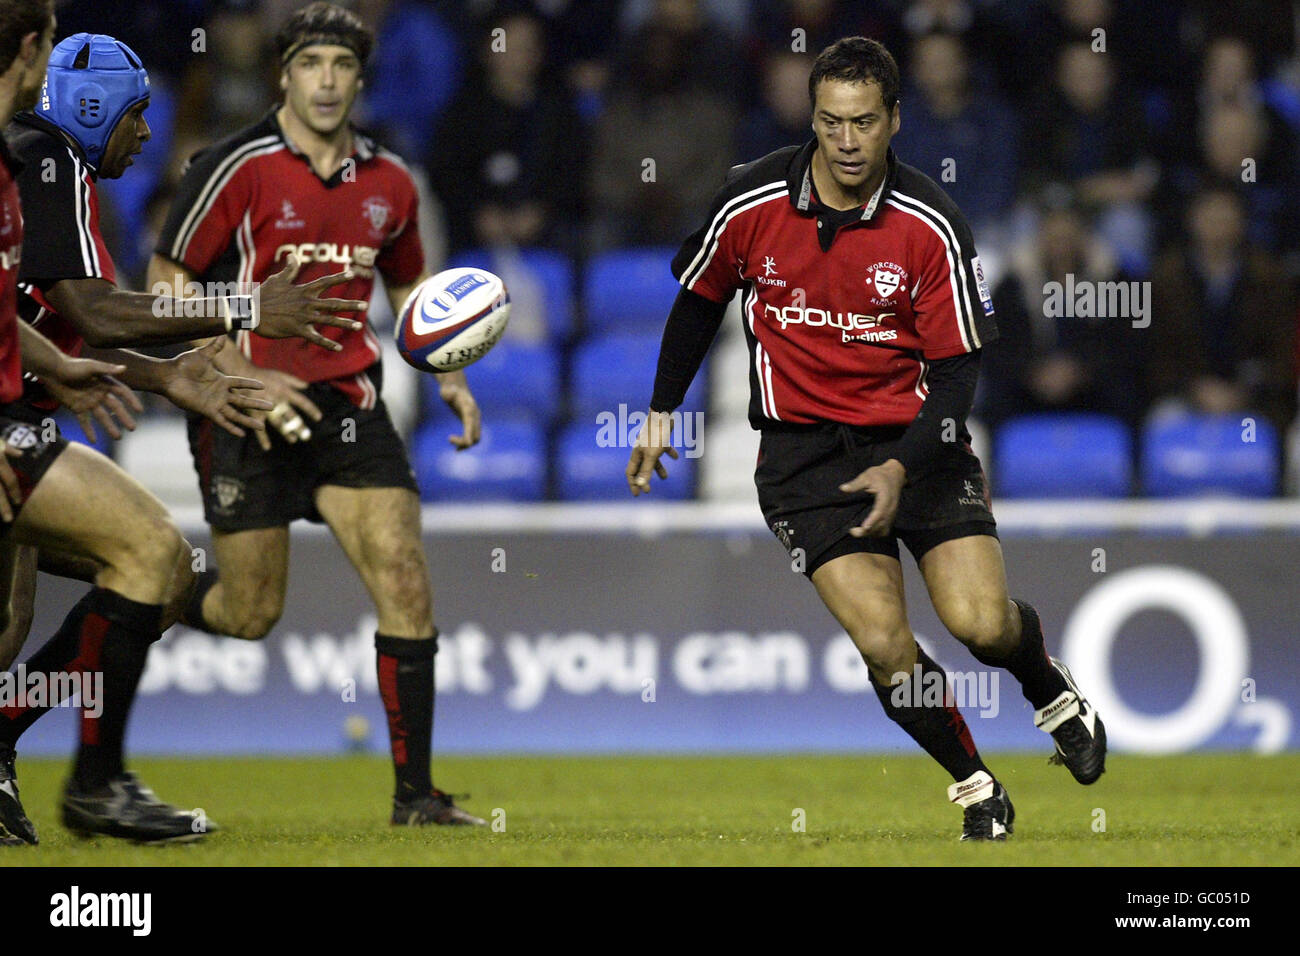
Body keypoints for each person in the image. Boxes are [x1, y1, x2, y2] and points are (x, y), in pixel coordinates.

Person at [625, 37, 1107, 841]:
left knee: (980, 624)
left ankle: (1047, 686)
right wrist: (661, 408)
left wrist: (900, 463)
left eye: (863, 123)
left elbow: (957, 379)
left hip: (919, 443)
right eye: (830, 122)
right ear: (811, 118)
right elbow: (699, 302)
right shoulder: (748, 202)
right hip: (802, 459)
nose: (846, 142)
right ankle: (977, 788)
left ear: (893, 122)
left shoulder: (931, 225)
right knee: (886, 643)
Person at [148, 2, 485, 827]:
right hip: (247, 409)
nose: (326, 81)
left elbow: (411, 286)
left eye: (341, 66)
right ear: (283, 76)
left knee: (405, 579)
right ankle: (139, 592)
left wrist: (448, 373)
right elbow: (163, 284)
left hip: (349, 405)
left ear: (361, 80)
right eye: (310, 65)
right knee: (248, 612)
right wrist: (238, 370)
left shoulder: (391, 182)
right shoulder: (235, 168)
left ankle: (417, 799)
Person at [0, 1, 214, 846]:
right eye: (138, 114)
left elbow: (63, 323)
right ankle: (96, 784)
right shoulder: (46, 161)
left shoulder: (30, 168)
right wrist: (237, 307)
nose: (147, 133)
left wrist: (163, 378)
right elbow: (98, 311)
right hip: (11, 424)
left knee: (37, 618)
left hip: (23, 415)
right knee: (155, 553)